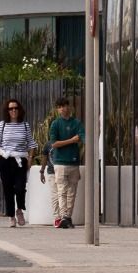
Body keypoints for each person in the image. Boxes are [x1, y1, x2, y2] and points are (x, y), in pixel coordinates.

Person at [0, 97, 37, 226]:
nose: (13, 110)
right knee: (8, 189)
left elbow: (32, 144)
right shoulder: (2, 125)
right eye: (11, 108)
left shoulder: (25, 125)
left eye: (16, 108)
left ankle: (19, 209)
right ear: (7, 110)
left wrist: (30, 160)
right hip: (5, 159)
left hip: (21, 160)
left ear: (19, 110)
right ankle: (11, 216)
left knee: (20, 187)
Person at [47, 96, 83, 228]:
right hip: (60, 163)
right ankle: (63, 217)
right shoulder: (55, 124)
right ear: (58, 109)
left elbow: (83, 135)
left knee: (72, 192)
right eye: (60, 106)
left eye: (65, 105)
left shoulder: (77, 123)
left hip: (74, 162)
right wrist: (72, 140)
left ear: (70, 107)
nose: (63, 109)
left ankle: (68, 217)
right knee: (62, 191)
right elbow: (54, 143)